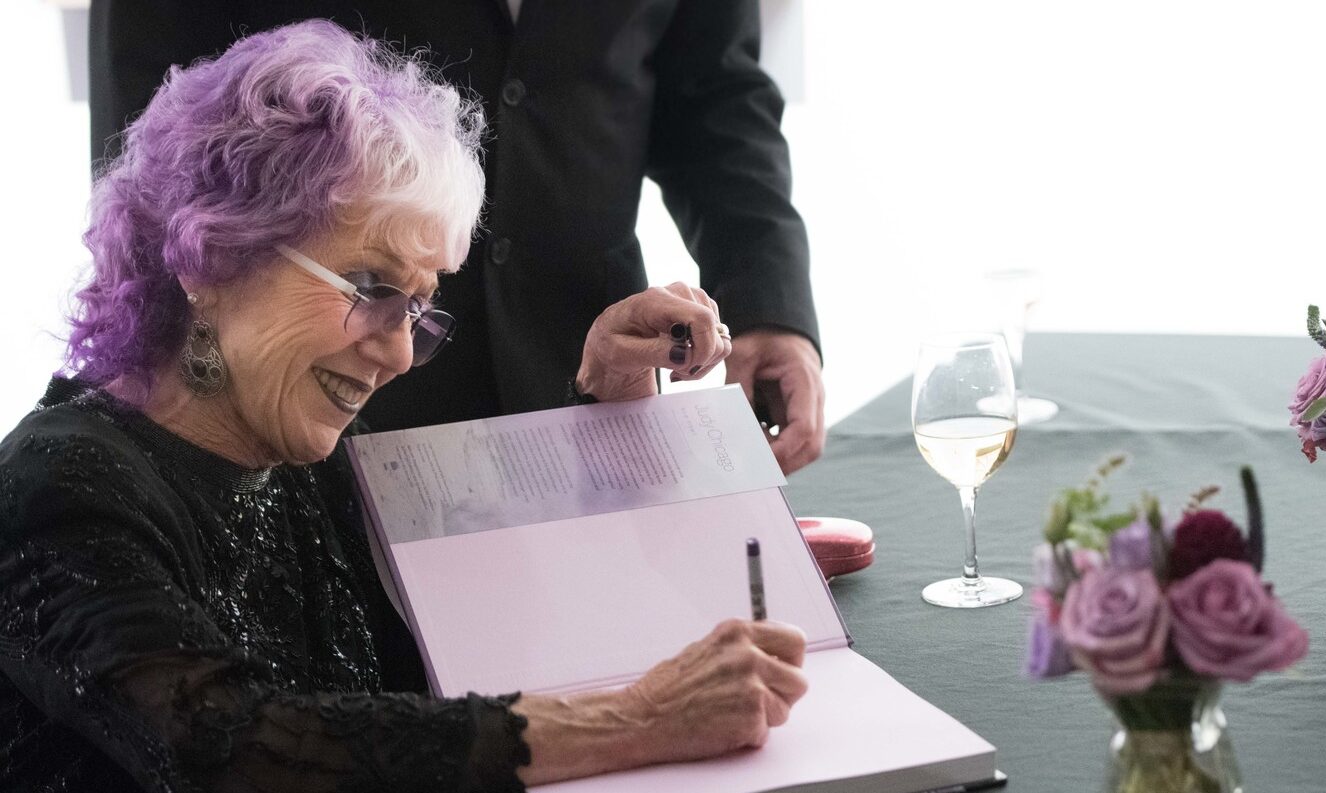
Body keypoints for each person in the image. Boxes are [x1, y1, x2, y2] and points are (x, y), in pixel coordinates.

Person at [1, 21, 806, 791]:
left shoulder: (292, 452)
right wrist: (642, 718)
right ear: (210, 254)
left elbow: (457, 653)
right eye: (373, 289)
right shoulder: (57, 489)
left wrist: (606, 397)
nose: (394, 354)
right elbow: (239, 749)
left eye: (418, 311)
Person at [90, 0, 828, 475]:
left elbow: (714, 95)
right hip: (307, 405)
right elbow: (155, 158)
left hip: (580, 377)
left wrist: (768, 302)